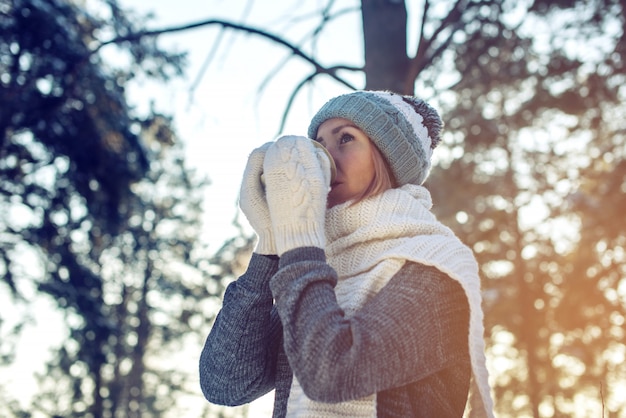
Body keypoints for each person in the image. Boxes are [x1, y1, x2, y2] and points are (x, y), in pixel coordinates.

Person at [199, 90, 495, 417]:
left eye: (345, 139)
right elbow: (227, 381)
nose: (325, 158)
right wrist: (270, 243)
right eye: (320, 145)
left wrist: (297, 236)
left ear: (388, 158)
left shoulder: (436, 270)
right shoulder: (320, 269)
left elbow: (332, 373)